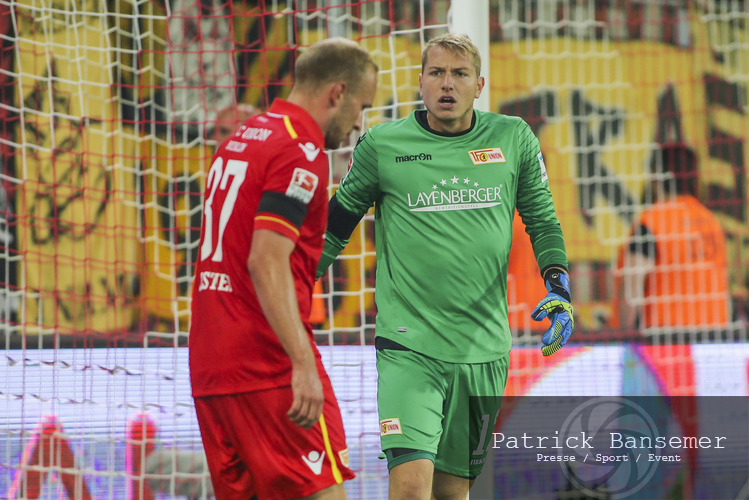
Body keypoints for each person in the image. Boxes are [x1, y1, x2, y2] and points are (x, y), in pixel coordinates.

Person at [316, 33, 573, 500]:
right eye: (436, 73)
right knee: (412, 486)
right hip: (409, 348)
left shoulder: (512, 137)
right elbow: (337, 223)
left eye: (458, 74)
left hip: (484, 351)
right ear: (420, 82)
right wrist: (297, 283)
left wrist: (559, 287)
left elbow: (543, 220)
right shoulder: (384, 145)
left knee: (453, 493)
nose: (446, 84)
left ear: (479, 84)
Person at [189, 37, 378, 500]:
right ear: (337, 93)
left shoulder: (243, 137)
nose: (359, 123)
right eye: (361, 106)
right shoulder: (300, 151)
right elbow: (265, 258)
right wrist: (301, 363)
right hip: (267, 364)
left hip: (212, 366)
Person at [611, 144, 731, 334]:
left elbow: (631, 292)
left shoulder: (652, 221)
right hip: (714, 341)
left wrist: (624, 338)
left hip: (666, 343)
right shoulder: (711, 221)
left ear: (657, 176)